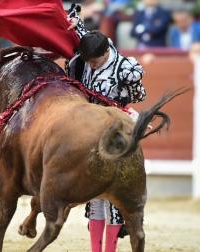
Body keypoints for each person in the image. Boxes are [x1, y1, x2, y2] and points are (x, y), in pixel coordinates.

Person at [66, 4, 146, 252]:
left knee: (112, 196)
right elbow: (78, 31)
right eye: (87, 60)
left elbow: (139, 95)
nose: (90, 65)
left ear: (106, 52)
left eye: (95, 61)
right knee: (94, 194)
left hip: (115, 132)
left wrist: (122, 106)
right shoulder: (88, 52)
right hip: (90, 131)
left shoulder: (126, 69)